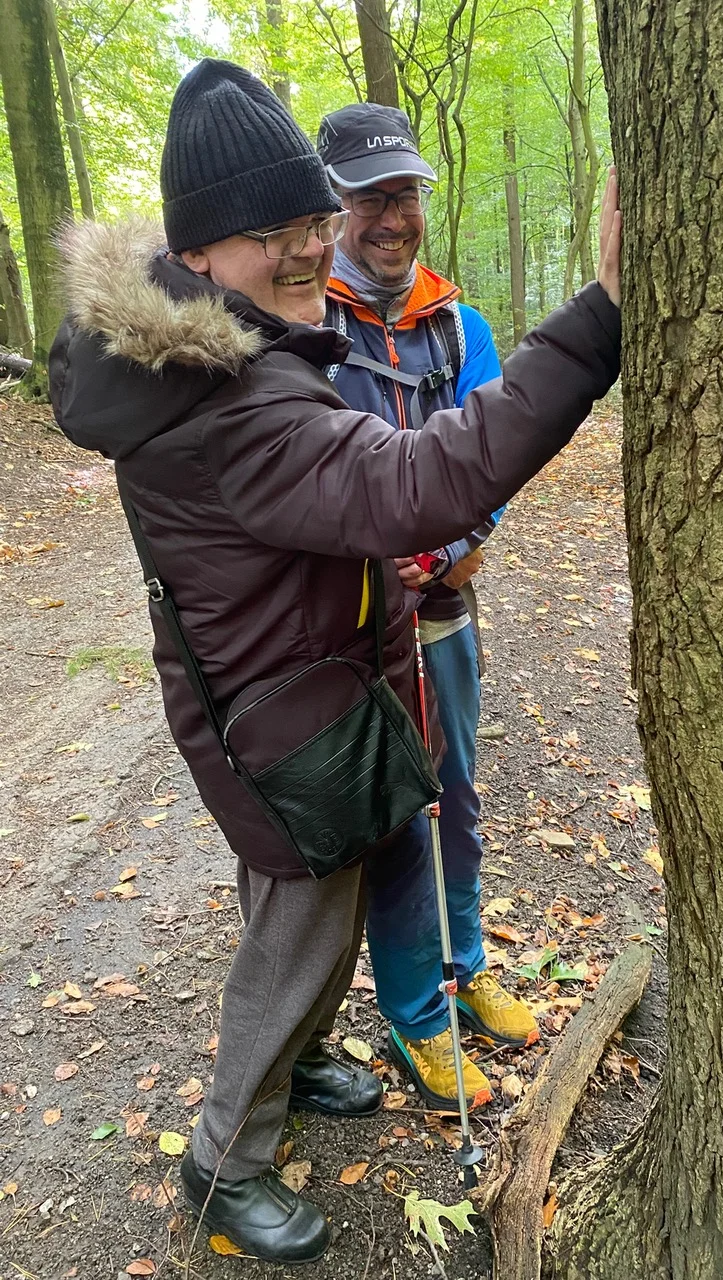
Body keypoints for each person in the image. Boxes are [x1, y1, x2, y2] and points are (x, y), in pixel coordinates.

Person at [49, 59, 620, 1267]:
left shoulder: (211, 360)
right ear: (201, 255)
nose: (312, 250)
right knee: (298, 927)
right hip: (278, 719)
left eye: (315, 221)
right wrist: (598, 319)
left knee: (325, 893)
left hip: (295, 695)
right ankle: (225, 1158)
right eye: (279, 234)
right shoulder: (235, 407)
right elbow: (426, 479)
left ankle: (303, 1062)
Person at [317, 103, 534, 1111]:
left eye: (401, 193)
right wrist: (376, 558)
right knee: (403, 811)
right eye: (367, 198)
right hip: (358, 626)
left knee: (462, 791)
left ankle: (467, 957)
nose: (389, 217)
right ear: (334, 209)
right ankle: (415, 1017)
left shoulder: (462, 325)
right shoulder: (306, 326)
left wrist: (446, 550)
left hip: (444, 606)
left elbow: (495, 453)